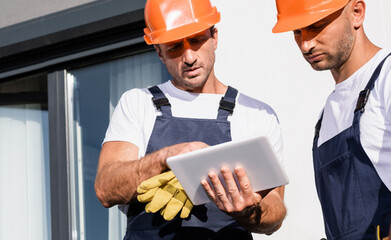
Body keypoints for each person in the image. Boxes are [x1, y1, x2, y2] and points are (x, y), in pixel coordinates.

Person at [94, 0, 287, 239]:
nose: (189, 57)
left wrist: (247, 210)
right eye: (174, 47)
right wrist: (166, 158)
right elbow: (106, 187)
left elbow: (275, 210)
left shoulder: (256, 114)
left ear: (214, 36)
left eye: (196, 40)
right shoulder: (138, 104)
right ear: (159, 52)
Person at [271, 0, 391, 239]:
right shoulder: (326, 114)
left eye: (316, 25)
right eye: (297, 31)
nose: (306, 44)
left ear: (357, 13)